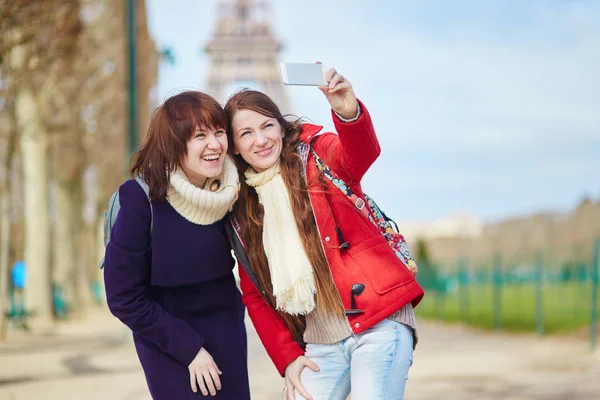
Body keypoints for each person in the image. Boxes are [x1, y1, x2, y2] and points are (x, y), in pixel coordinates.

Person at [224, 66, 424, 400]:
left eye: (266, 126)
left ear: (280, 126)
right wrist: (288, 359)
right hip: (320, 341)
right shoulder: (242, 212)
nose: (260, 140)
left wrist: (349, 113)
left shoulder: (318, 154)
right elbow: (256, 296)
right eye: (246, 134)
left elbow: (359, 156)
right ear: (234, 146)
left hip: (379, 321)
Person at [103, 91, 250, 399]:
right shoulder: (141, 199)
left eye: (219, 132)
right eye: (200, 135)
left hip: (226, 336)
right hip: (166, 339)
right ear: (173, 143)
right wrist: (190, 349)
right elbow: (123, 296)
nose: (215, 144)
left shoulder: (232, 191)